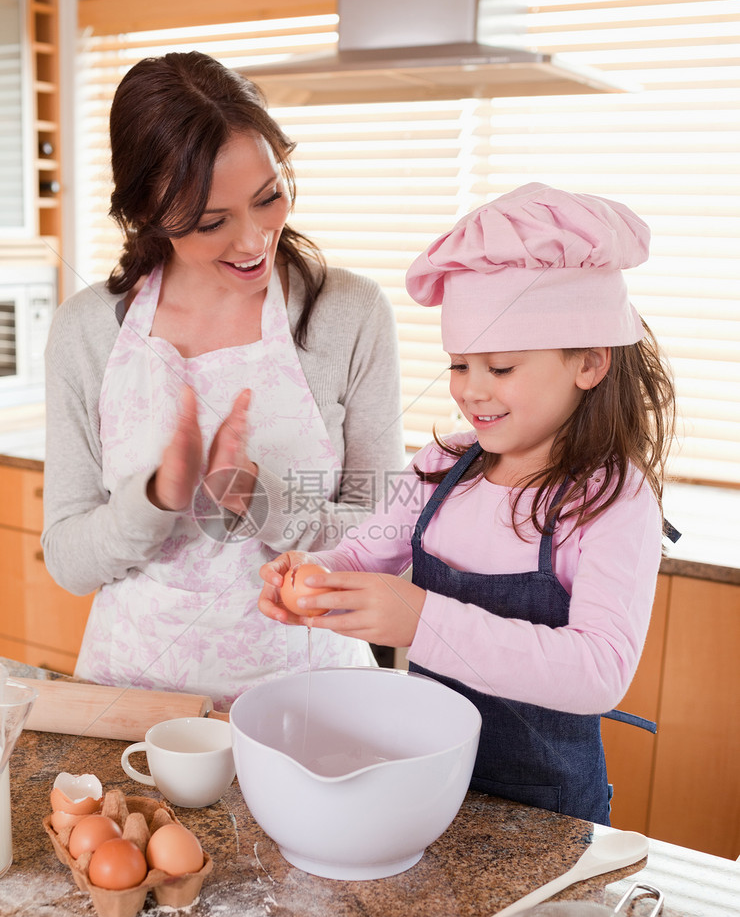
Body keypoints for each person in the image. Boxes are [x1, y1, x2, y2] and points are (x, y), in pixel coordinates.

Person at [259, 182, 677, 825]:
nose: (471, 392)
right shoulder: (440, 467)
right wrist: (313, 579)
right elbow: (364, 553)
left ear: (590, 362)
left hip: (550, 815)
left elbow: (598, 670)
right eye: (460, 365)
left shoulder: (614, 501)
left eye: (501, 368)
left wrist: (422, 620)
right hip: (428, 784)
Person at [42, 51, 404, 711]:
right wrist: (157, 497)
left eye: (268, 197)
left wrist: (255, 497)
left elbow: (385, 536)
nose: (253, 239)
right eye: (212, 222)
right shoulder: (88, 328)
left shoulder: (349, 313)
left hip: (314, 703)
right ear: (149, 213)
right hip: (135, 705)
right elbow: (68, 558)